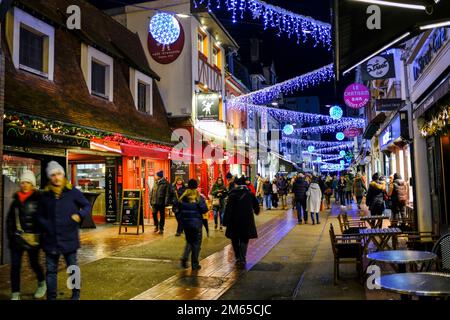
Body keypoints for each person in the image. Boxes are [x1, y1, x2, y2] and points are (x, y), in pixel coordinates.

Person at [37, 161, 91, 300]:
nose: (56, 177)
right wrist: (47, 226)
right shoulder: (45, 195)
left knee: (73, 268)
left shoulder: (72, 192)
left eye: (59, 174)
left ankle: (76, 294)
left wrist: (79, 215)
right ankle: (51, 297)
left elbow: (86, 205)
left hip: (69, 238)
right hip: (51, 239)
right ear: (50, 177)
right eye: (53, 175)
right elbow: (39, 215)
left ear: (63, 174)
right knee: (50, 271)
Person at [6, 170, 46, 300]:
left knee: (34, 263)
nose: (24, 185)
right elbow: (10, 220)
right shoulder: (16, 200)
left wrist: (42, 236)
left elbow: (43, 219)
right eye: (22, 182)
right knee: (15, 267)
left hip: (32, 239)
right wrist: (11, 235)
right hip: (17, 240)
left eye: (27, 182)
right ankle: (15, 293)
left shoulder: (39, 199)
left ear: (32, 184)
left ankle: (41, 283)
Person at [223, 177, 260, 268]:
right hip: (246, 220)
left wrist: (225, 221)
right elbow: (256, 206)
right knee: (244, 239)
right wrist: (256, 211)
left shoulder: (232, 195)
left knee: (235, 239)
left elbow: (228, 209)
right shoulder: (250, 194)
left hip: (233, 221)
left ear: (236, 185)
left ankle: (237, 257)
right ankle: (242, 258)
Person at [175, 179, 209, 270]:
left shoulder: (183, 197)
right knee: (196, 243)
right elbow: (204, 210)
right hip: (196, 224)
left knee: (189, 241)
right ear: (196, 187)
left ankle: (185, 257)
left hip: (186, 224)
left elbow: (177, 208)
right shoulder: (199, 197)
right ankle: (195, 264)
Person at [150, 170, 170, 234]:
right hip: (154, 202)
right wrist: (151, 200)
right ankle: (156, 225)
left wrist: (166, 202)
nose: (155, 176)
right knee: (154, 213)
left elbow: (167, 194)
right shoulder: (155, 182)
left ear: (159, 176)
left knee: (162, 216)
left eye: (156, 175)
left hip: (161, 202)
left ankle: (161, 228)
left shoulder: (165, 183)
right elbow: (152, 192)